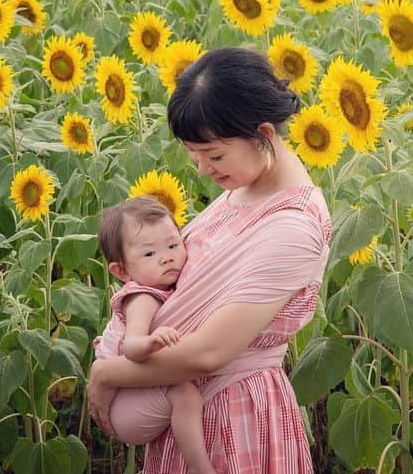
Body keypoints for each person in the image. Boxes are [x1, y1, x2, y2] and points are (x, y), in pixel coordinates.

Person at [87, 46, 332, 474]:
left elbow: (209, 353)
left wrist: (108, 374)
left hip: (233, 417)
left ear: (264, 135)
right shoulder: (245, 187)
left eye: (214, 155)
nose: (202, 169)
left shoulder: (293, 228)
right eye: (194, 154)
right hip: (191, 409)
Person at [92, 196, 217, 474]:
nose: (167, 257)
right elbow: (132, 347)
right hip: (123, 407)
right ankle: (200, 468)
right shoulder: (142, 298)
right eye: (149, 254)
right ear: (121, 270)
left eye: (173, 245)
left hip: (130, 393)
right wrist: (152, 340)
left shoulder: (161, 286)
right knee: (185, 394)